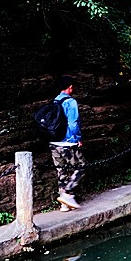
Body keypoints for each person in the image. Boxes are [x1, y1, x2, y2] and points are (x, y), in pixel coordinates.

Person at [50, 75, 85, 210]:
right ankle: (68, 194)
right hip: (67, 143)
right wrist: (77, 139)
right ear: (70, 87)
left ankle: (64, 205)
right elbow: (73, 123)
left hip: (54, 143)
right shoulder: (71, 102)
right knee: (81, 167)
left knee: (61, 170)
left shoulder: (54, 101)